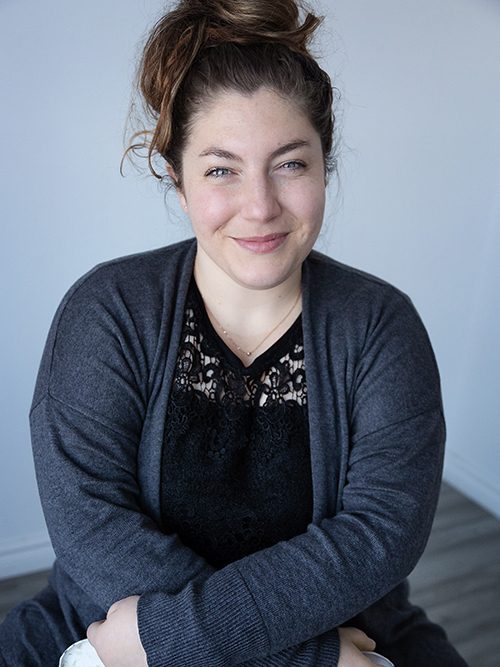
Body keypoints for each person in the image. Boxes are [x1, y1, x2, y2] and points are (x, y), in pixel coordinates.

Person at [0, 1, 469, 666]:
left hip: (358, 630)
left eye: (290, 164)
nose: (260, 206)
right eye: (222, 169)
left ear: (325, 166)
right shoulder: (107, 310)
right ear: (178, 180)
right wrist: (306, 659)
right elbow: (93, 530)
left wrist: (186, 636)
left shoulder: (381, 327)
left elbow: (378, 537)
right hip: (111, 627)